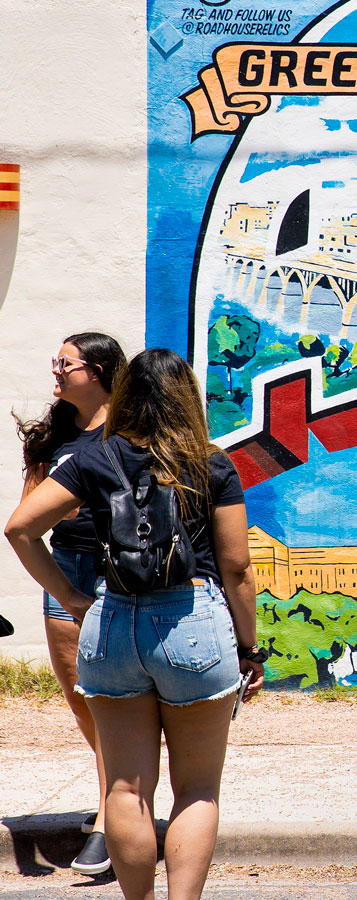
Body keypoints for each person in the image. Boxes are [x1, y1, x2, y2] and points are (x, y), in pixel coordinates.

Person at [5, 348, 265, 900]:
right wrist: (250, 648)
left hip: (113, 620)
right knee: (196, 790)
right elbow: (238, 567)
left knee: (125, 789)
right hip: (192, 622)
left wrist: (71, 598)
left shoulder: (93, 457)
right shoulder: (211, 463)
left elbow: (20, 528)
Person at [12, 331, 127, 875]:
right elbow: (28, 512)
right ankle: (114, 797)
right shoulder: (52, 435)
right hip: (66, 573)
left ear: (98, 372)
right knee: (81, 699)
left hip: (120, 574)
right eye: (54, 361)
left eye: (65, 363)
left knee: (113, 700)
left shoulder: (129, 430)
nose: (56, 371)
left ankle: (111, 815)